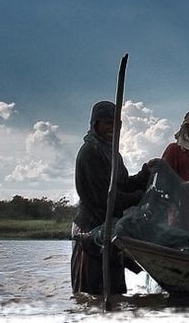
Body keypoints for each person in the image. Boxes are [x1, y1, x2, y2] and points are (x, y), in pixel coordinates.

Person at [71, 100, 160, 297]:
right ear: (96, 124)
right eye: (107, 124)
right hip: (90, 233)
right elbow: (107, 198)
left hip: (110, 232)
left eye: (116, 124)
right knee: (91, 294)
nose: (112, 129)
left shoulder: (113, 153)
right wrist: (139, 197)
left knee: (115, 292)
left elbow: (123, 183)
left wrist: (145, 173)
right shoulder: (90, 152)